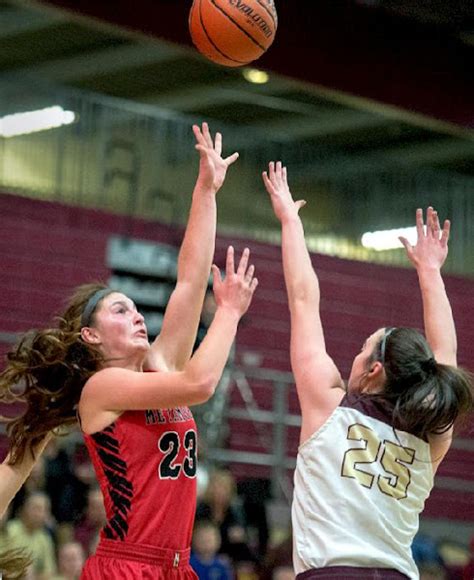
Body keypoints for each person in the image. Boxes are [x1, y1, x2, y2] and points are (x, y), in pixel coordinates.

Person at [0, 124, 257, 579]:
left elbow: (190, 282)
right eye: (121, 310)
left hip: (176, 567)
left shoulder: (158, 367)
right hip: (127, 566)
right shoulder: (102, 388)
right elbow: (199, 383)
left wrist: (206, 190)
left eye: (137, 309)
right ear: (92, 337)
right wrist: (229, 314)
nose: (138, 316)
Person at [262, 161, 472, 580]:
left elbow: (304, 299)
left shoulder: (328, 408)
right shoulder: (430, 439)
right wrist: (430, 272)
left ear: (374, 369)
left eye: (361, 349)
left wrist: (290, 221)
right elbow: (445, 358)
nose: (353, 357)